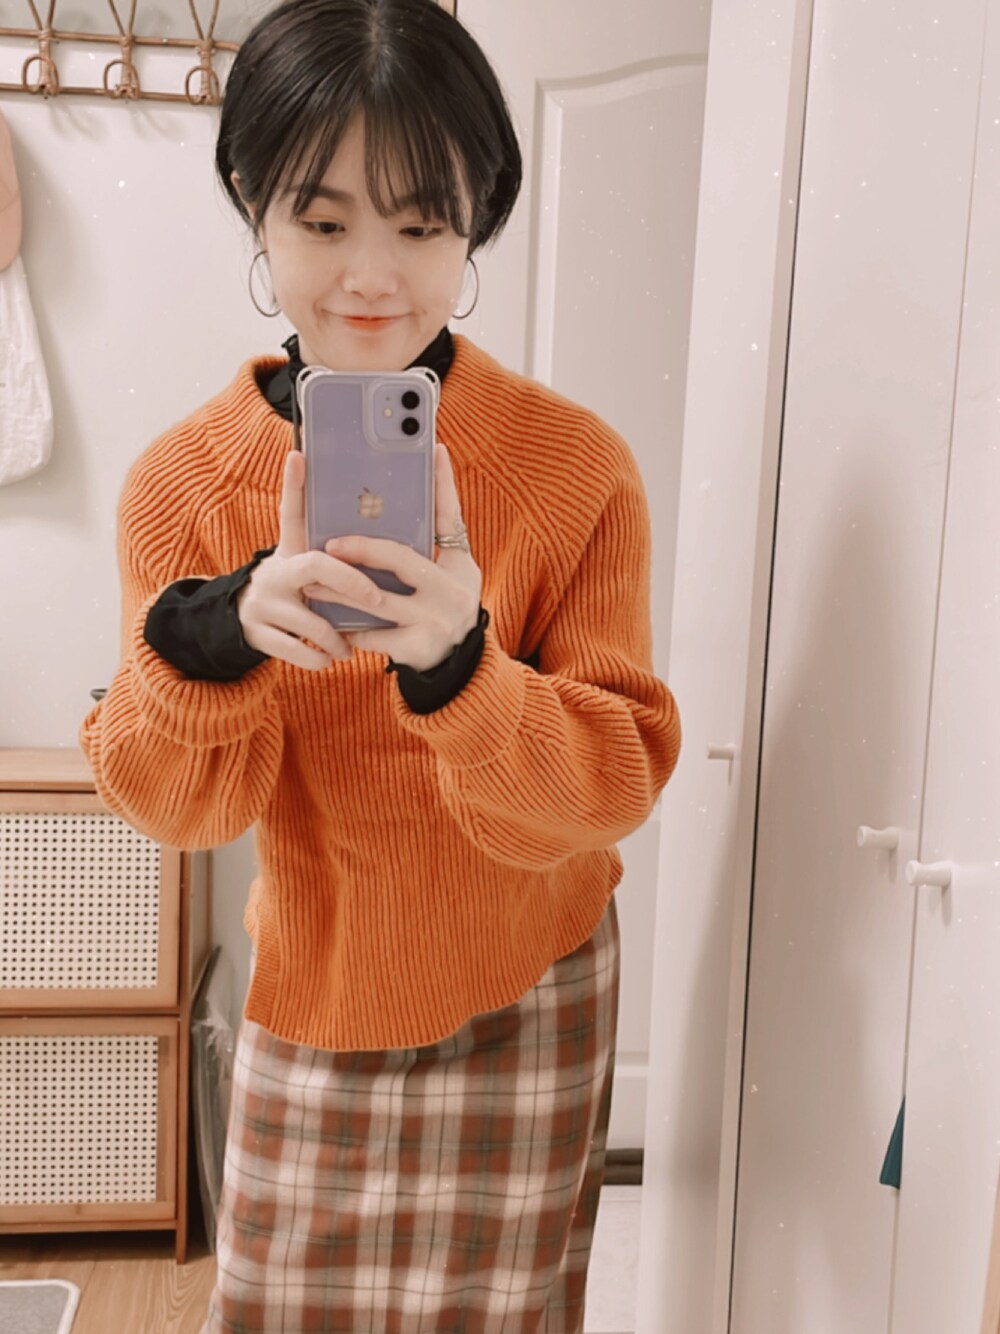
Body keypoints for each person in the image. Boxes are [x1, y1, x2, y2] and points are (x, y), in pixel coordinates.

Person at [80, 1, 681, 1329]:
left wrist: (465, 675)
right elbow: (179, 809)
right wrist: (210, 638)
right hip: (318, 997)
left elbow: (617, 782)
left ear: (476, 226)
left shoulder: (575, 469)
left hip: (534, 982)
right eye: (323, 219)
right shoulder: (186, 486)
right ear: (255, 208)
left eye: (421, 226)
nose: (372, 276)